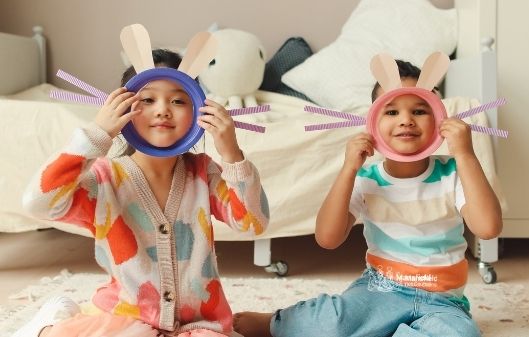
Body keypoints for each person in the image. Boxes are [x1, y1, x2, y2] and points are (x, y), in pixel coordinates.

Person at [233, 60, 502, 337]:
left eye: (420, 110)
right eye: (392, 111)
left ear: (438, 120)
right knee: (333, 323)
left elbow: (488, 228)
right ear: (373, 121)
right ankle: (277, 323)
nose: (406, 120)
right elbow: (328, 238)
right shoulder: (367, 177)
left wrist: (466, 155)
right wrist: (348, 169)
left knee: (462, 335)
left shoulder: (454, 172)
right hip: (379, 290)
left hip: (443, 300)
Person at [15, 49, 269, 337]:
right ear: (123, 110)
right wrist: (98, 134)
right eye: (147, 100)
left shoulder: (204, 175)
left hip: (197, 326)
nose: (162, 109)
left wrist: (232, 155)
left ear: (198, 109)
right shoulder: (104, 180)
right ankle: (51, 324)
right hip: (125, 322)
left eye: (178, 100)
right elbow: (37, 202)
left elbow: (253, 222)